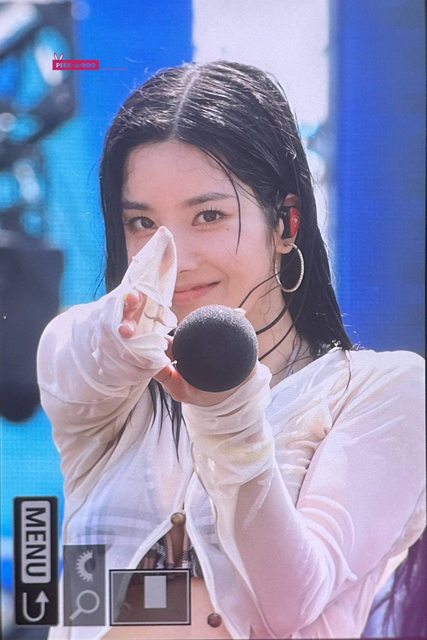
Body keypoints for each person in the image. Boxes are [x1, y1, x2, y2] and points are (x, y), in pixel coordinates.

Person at [37, 61, 425, 639]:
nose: (175, 256)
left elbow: (291, 601)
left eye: (209, 216)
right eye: (142, 223)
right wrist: (125, 326)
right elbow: (69, 352)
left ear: (287, 223)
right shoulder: (115, 385)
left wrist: (228, 416)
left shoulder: (378, 389)